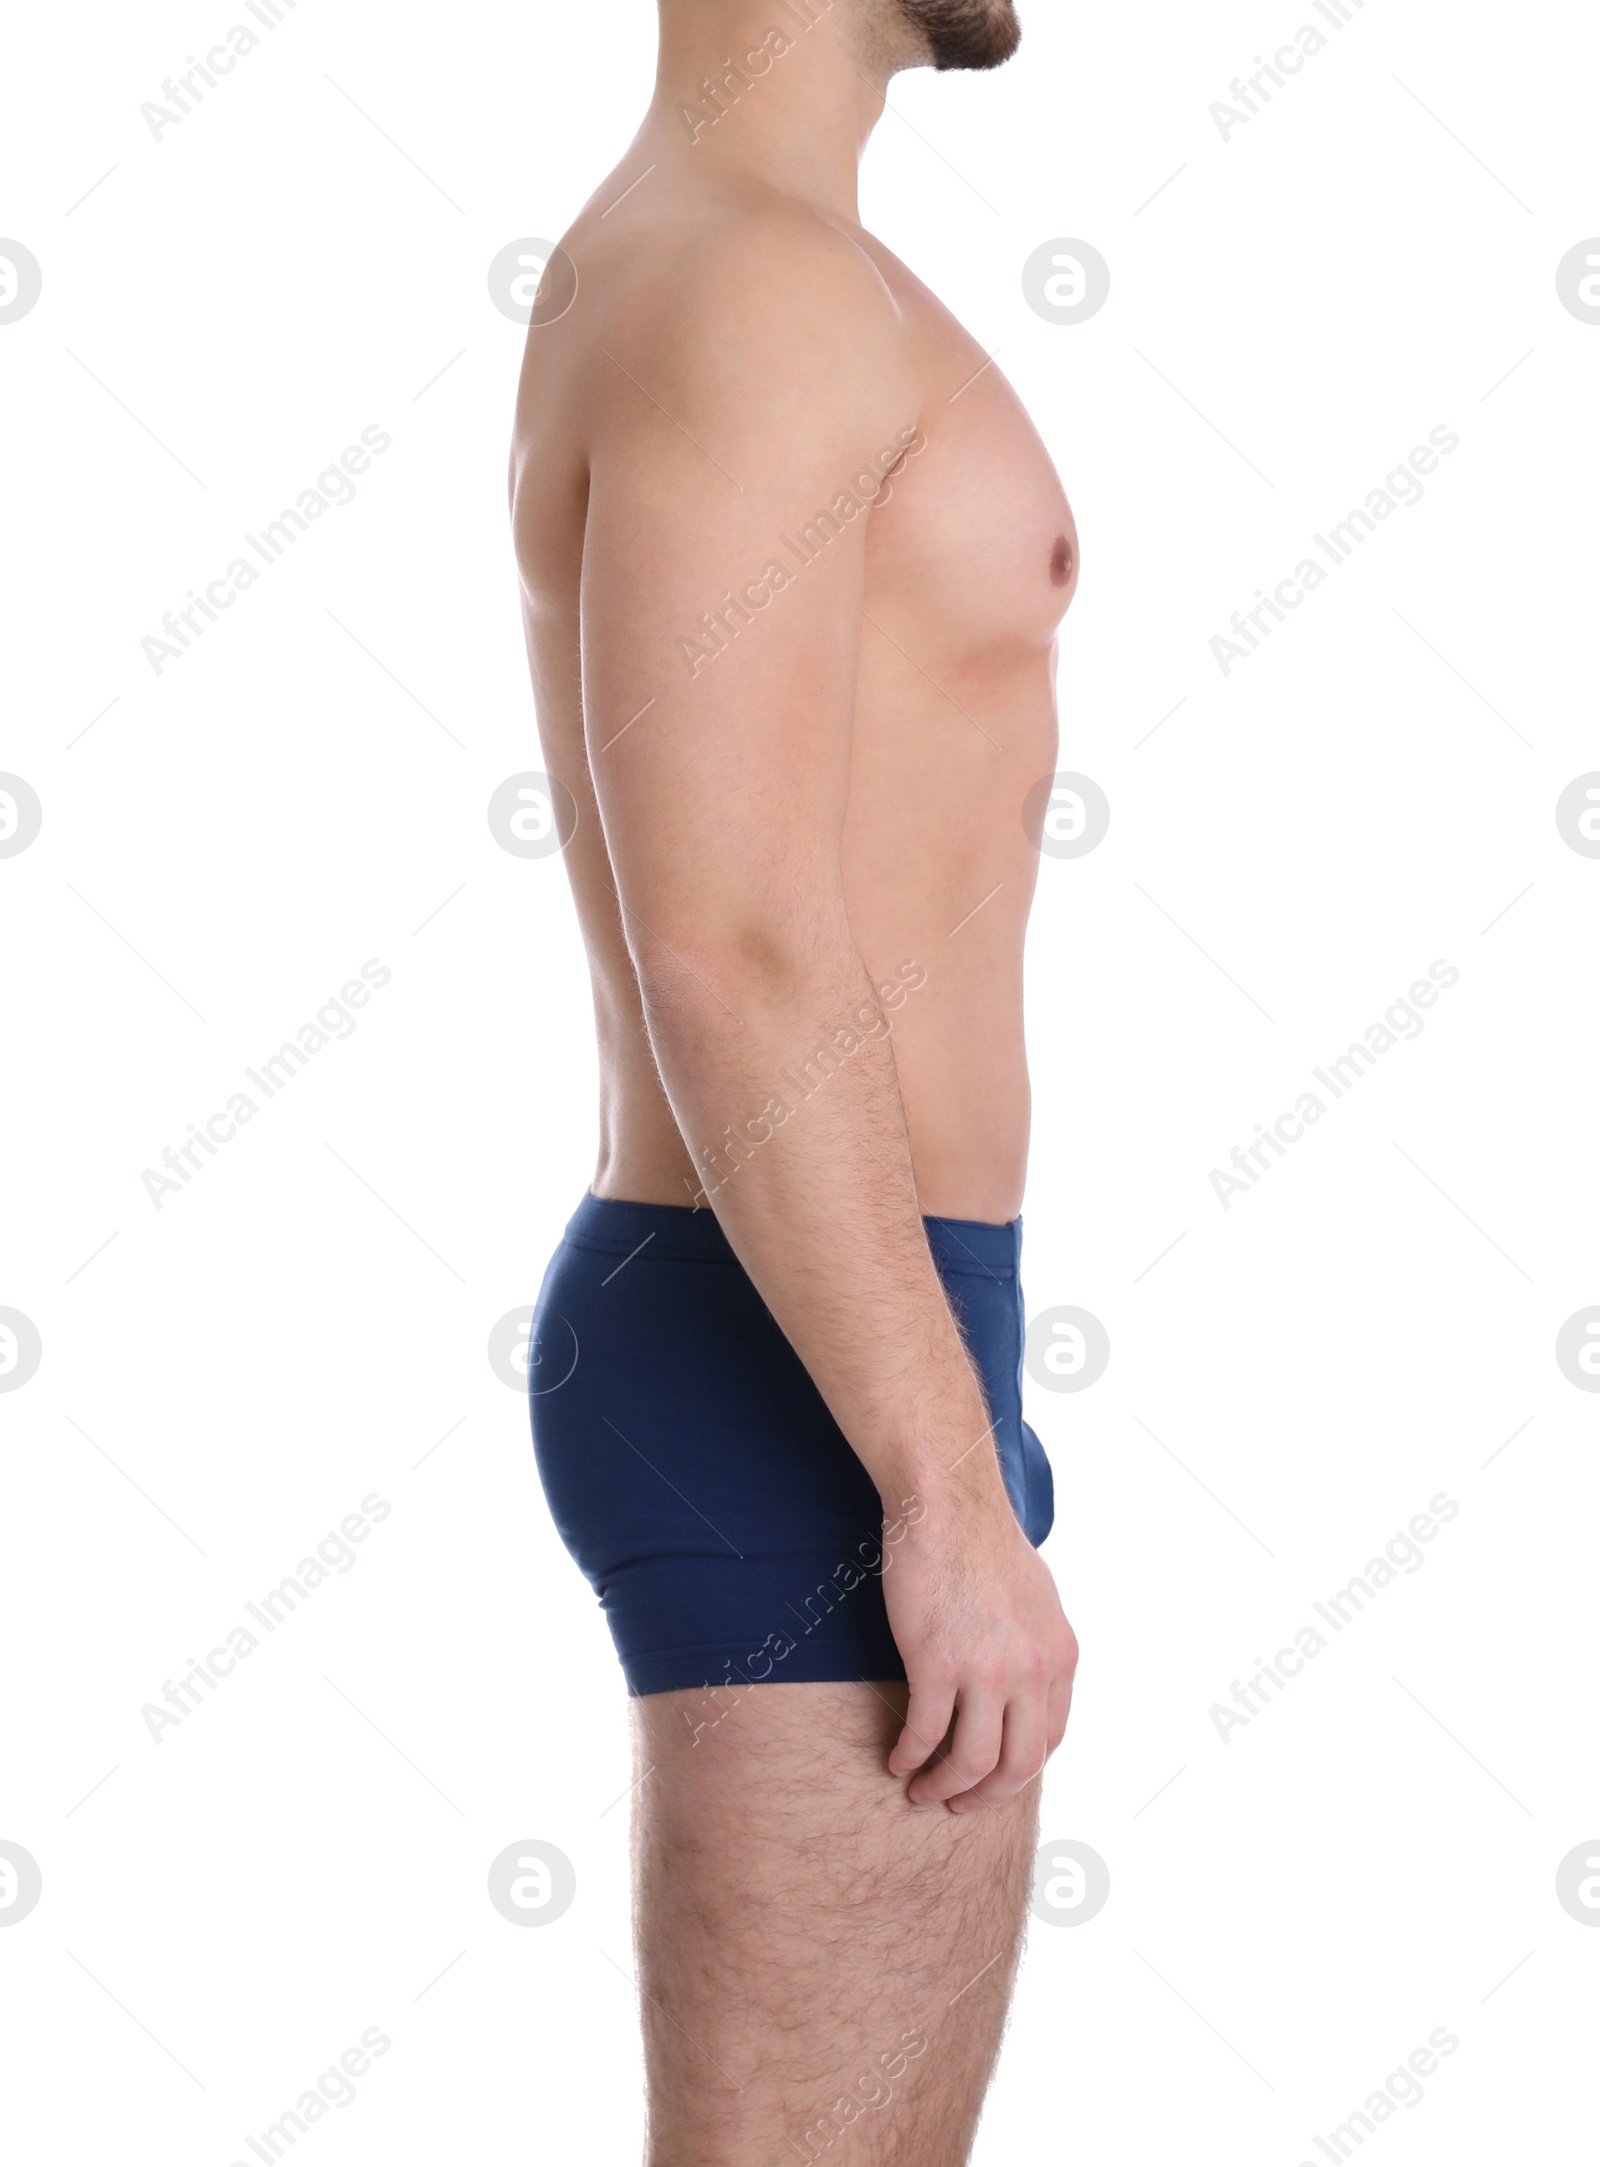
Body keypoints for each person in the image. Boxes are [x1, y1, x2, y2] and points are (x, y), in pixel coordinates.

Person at [510, 2, 1079, 2157]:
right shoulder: (747, 282)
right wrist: (939, 1490)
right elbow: (727, 941)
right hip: (806, 1357)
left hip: (865, 1323)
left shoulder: (760, 258)